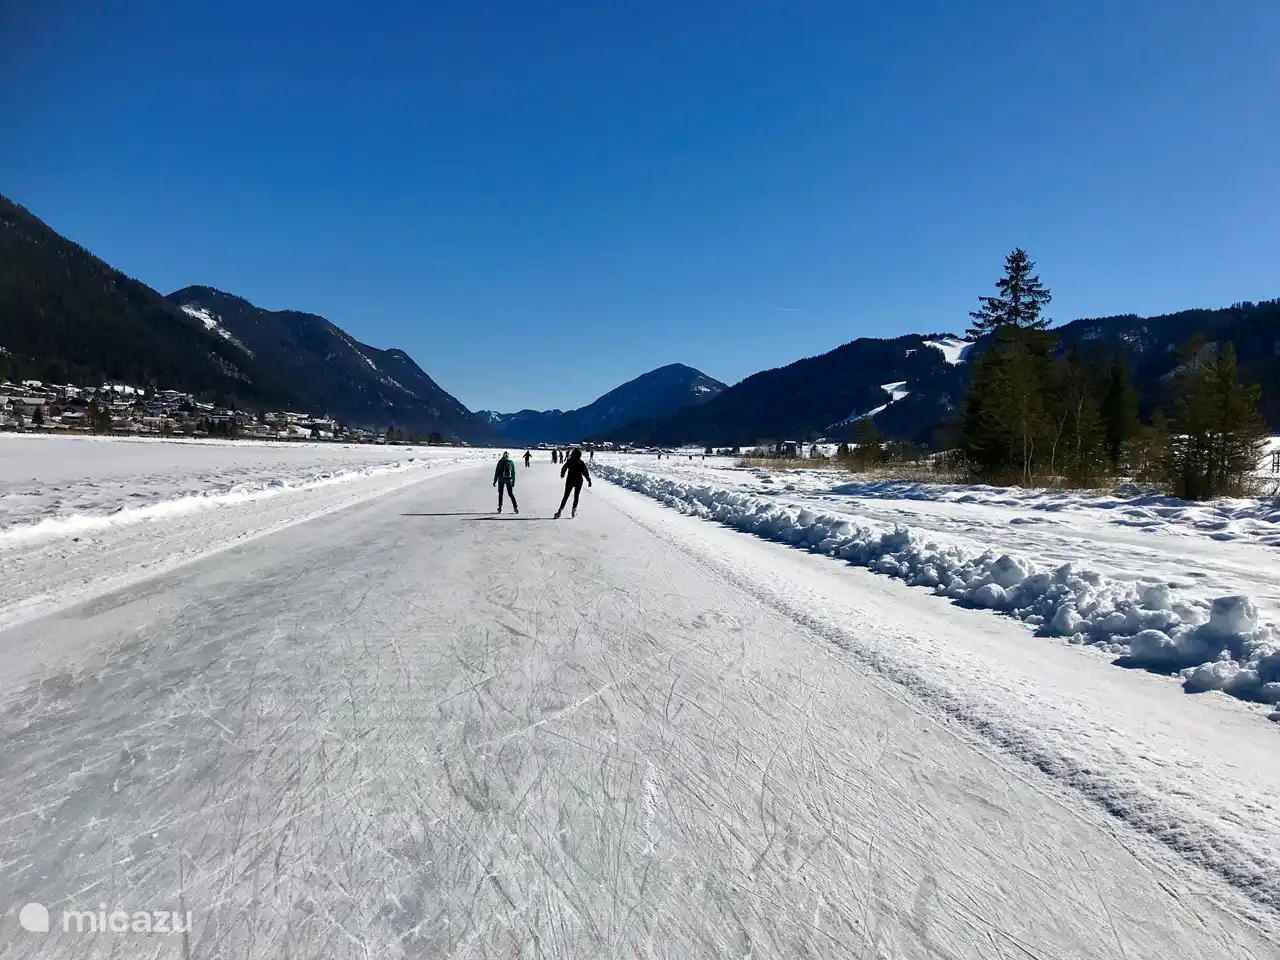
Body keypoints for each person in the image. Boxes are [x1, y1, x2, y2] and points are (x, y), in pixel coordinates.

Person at [554, 447, 592, 519]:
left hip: (570, 480)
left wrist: (562, 473)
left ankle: (559, 511)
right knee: (576, 496)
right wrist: (588, 480)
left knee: (566, 496)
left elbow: (564, 467)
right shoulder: (580, 462)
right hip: (578, 481)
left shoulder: (569, 461)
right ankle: (573, 511)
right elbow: (585, 472)